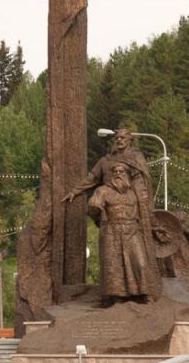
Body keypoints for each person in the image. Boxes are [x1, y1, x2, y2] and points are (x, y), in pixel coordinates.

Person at [62, 129, 162, 304]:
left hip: (131, 218)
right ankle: (116, 297)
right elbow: (92, 178)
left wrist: (149, 219)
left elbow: (142, 188)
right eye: (117, 138)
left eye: (123, 137)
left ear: (130, 140)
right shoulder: (105, 161)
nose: (119, 140)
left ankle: (143, 293)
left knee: (139, 261)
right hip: (111, 215)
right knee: (113, 264)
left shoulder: (136, 159)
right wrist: (75, 191)